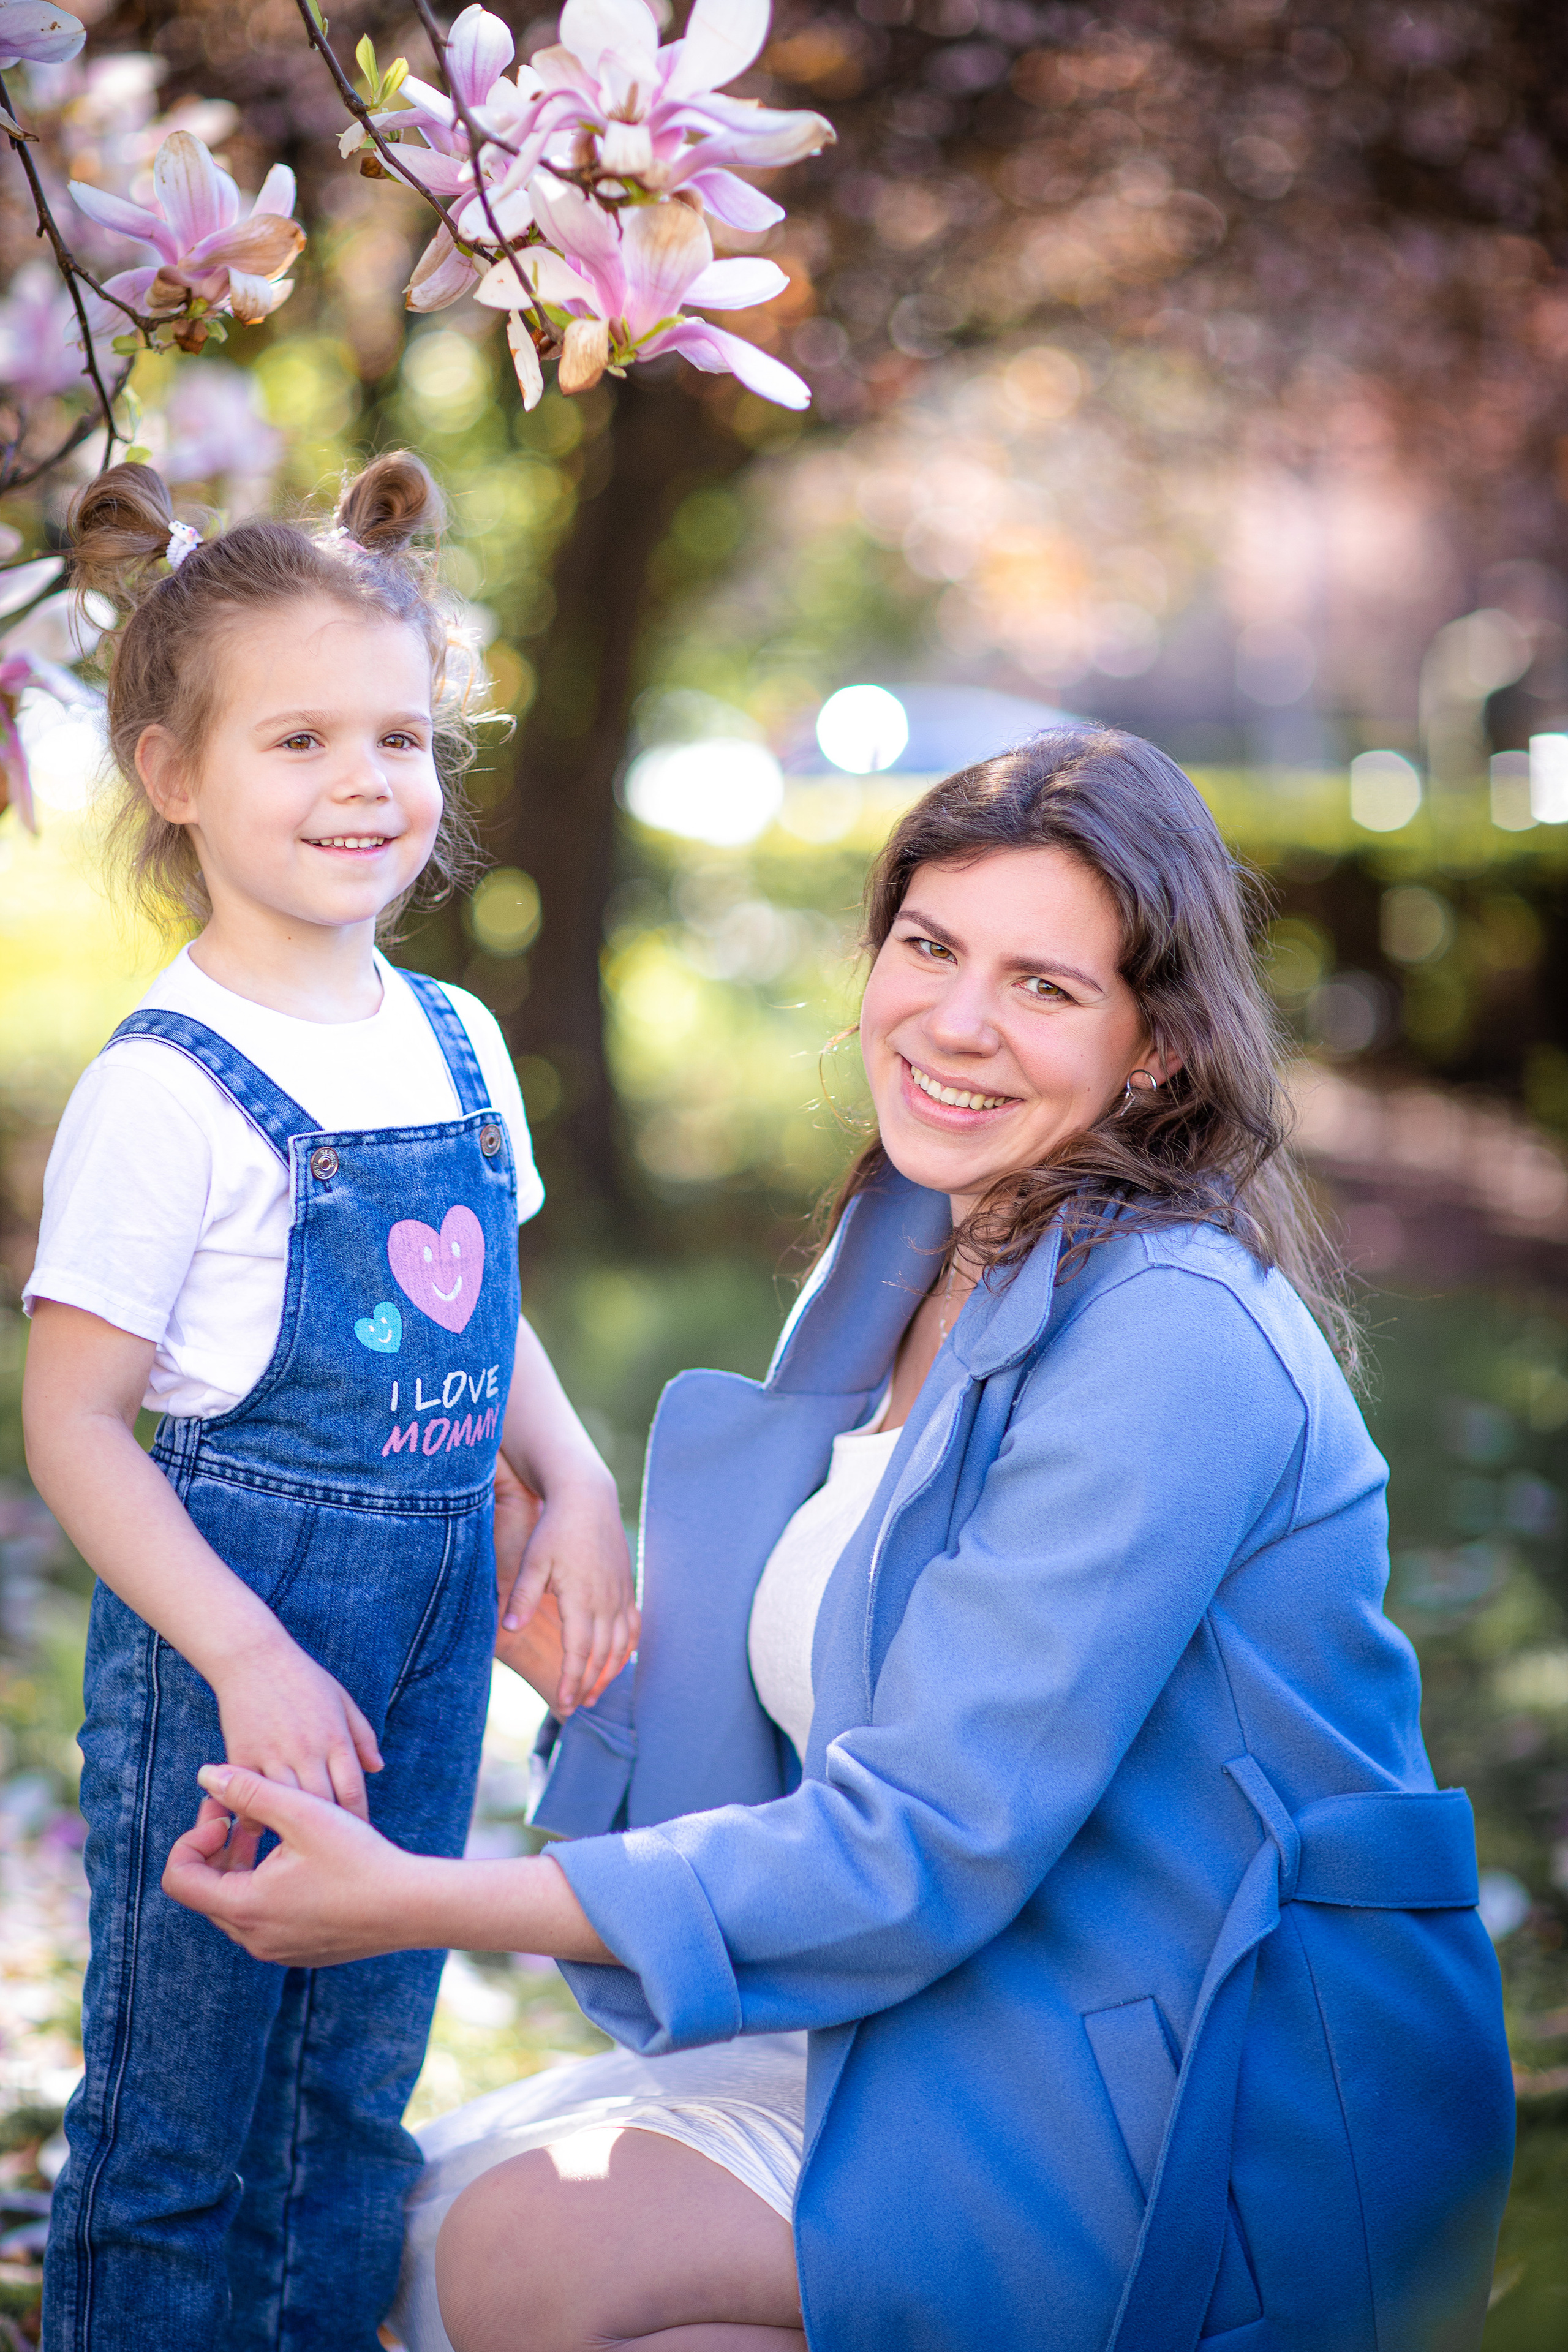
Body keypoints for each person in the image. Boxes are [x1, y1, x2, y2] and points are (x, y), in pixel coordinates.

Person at [165, 729, 1515, 2352]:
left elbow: (920, 1842)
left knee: (525, 2262)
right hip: (950, 2009)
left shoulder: (1174, 1334)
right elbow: (803, 1779)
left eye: (1044, 986)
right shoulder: (904, 1248)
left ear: (1156, 1045)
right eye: (930, 948)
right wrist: (581, 1673)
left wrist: (417, 1898)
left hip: (1192, 2095)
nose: (954, 1022)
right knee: (388, 2227)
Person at [21, 454, 638, 2352]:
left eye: (401, 735)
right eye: (300, 739)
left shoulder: (453, 1038)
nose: (367, 783)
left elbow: (486, 1304)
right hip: (235, 1641)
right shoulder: (171, 1087)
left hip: (438, 1632)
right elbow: (71, 1426)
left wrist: (577, 1481)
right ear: (174, 771)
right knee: (187, 2104)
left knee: (358, 2082)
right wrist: (245, 1655)